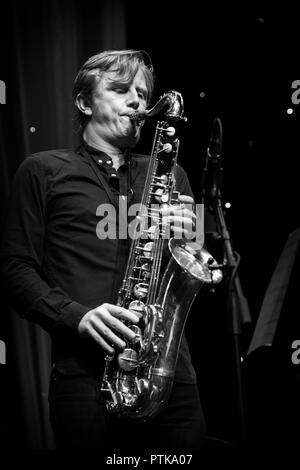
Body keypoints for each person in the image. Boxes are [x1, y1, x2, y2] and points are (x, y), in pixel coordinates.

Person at [0, 49, 206, 455]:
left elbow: (194, 261)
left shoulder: (172, 173)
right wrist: (76, 317)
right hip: (85, 380)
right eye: (119, 89)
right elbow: (13, 267)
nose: (137, 101)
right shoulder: (42, 170)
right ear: (84, 102)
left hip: (169, 376)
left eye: (143, 93)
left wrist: (189, 238)